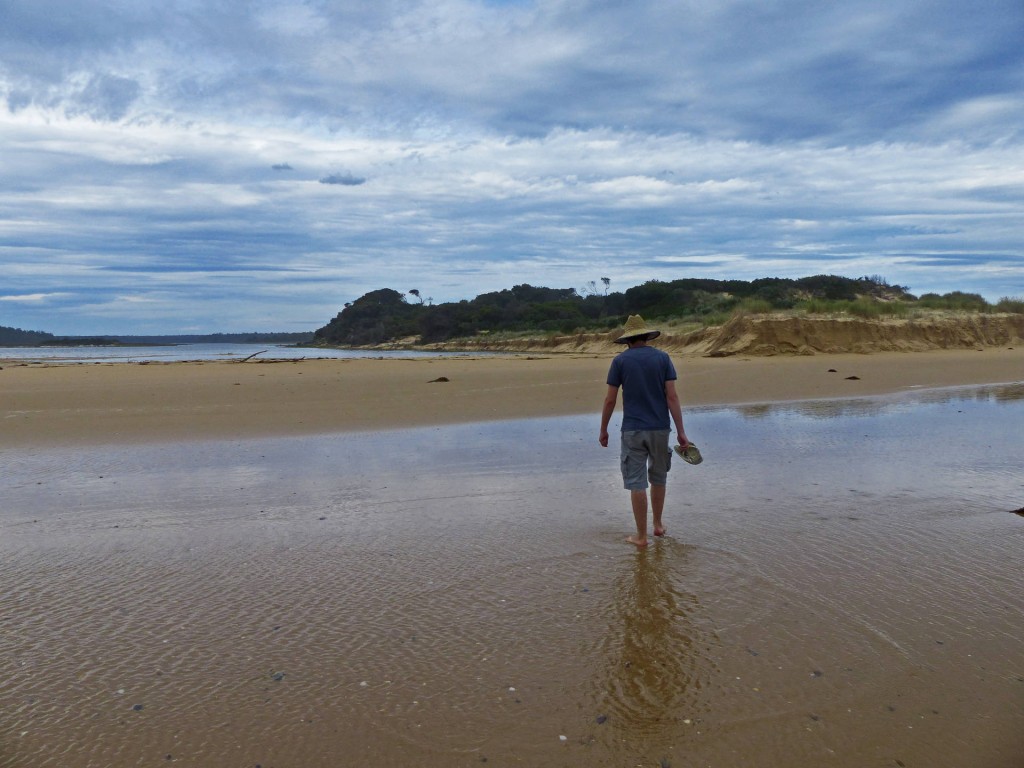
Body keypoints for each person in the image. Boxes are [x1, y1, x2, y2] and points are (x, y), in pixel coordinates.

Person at [599, 315, 690, 547]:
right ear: (646, 336)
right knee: (659, 477)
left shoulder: (620, 362)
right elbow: (672, 396)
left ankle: (641, 536)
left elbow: (610, 400)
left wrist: (604, 429)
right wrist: (681, 432)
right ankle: (658, 525)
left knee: (636, 482)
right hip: (660, 428)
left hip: (633, 429)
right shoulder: (663, 358)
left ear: (628, 339)